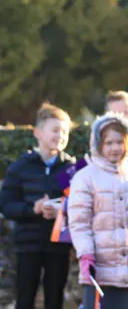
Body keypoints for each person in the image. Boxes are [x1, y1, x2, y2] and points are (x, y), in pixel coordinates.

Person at [67, 113, 128, 309]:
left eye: (119, 142)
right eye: (108, 142)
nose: (114, 148)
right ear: (98, 144)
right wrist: (86, 255)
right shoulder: (84, 178)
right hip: (101, 273)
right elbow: (80, 224)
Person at [0, 103, 74, 309]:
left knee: (55, 299)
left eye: (65, 131)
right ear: (37, 133)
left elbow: (80, 205)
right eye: (55, 130)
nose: (60, 136)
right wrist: (32, 209)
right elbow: (6, 204)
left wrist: (60, 211)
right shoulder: (20, 167)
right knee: (25, 298)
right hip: (27, 246)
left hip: (58, 246)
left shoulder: (72, 169)